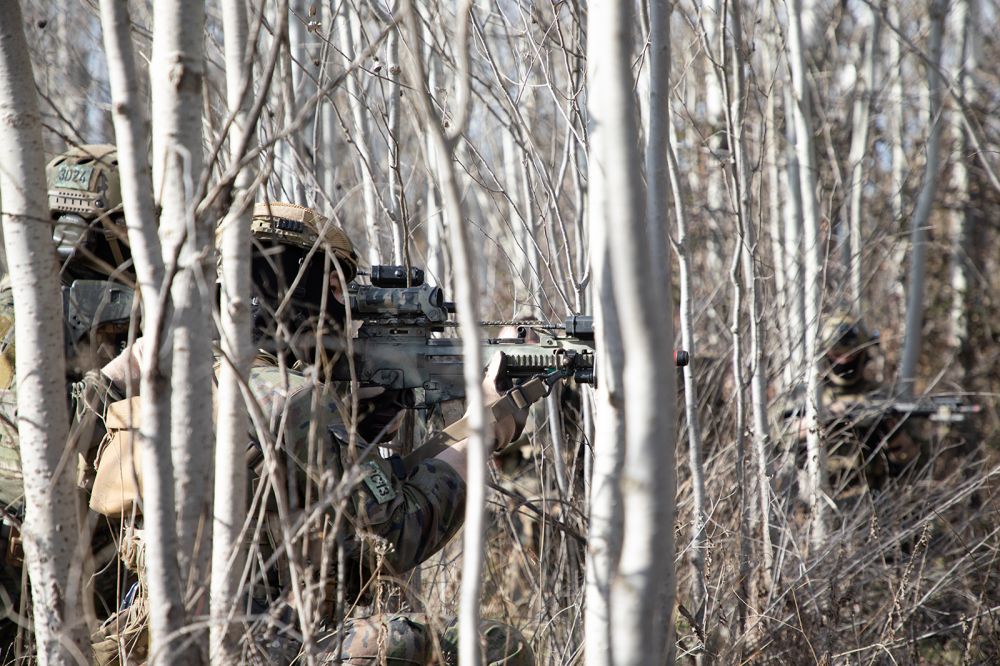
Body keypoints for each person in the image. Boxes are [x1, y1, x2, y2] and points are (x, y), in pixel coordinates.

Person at [88, 202, 534, 665]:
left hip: (147, 640)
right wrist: (481, 430)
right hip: (256, 648)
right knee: (496, 646)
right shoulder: (293, 399)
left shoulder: (170, 384)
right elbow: (390, 544)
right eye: (337, 287)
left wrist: (360, 426)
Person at [0, 144, 136, 654]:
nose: (70, 245)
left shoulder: (120, 303)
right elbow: (20, 436)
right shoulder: (18, 309)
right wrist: (112, 383)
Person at [784, 310, 921, 499]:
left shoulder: (882, 396)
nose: (844, 360)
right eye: (837, 355)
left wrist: (895, 435)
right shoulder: (804, 396)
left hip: (872, 503)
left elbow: (915, 463)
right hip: (815, 503)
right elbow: (775, 439)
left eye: (851, 355)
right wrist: (822, 418)